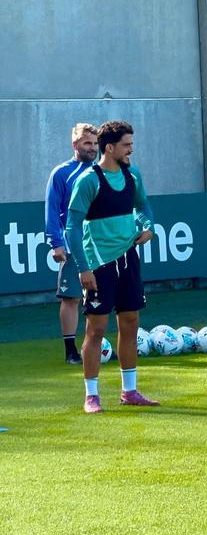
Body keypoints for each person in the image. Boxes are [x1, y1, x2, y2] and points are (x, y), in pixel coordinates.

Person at [64, 120, 158, 413]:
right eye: (127, 145)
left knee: (130, 324)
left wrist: (148, 226)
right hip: (98, 264)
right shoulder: (89, 180)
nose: (131, 149)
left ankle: (129, 391)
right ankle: (91, 395)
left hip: (128, 258)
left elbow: (143, 207)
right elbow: (71, 228)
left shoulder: (133, 174)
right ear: (110, 147)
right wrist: (83, 268)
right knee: (96, 329)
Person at [45, 123, 99, 365]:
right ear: (75, 144)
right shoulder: (61, 173)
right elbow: (51, 210)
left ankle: (95, 345)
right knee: (71, 298)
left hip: (101, 245)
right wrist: (56, 242)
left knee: (100, 295)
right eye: (87, 143)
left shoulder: (102, 171)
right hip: (72, 244)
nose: (92, 148)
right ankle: (70, 351)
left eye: (96, 144)